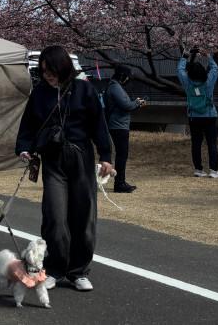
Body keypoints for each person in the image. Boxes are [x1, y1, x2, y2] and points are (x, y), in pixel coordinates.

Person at [16, 46, 114, 293]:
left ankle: (78, 271)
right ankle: (55, 269)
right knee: (55, 217)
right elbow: (27, 124)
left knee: (84, 217)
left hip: (81, 156)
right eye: (44, 71)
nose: (48, 76)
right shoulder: (39, 93)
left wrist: (106, 156)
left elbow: (98, 125)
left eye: (52, 71)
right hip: (53, 158)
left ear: (64, 68)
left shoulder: (84, 90)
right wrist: (24, 148)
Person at [178, 47, 218, 177]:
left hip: (193, 116)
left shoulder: (187, 82)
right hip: (209, 115)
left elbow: (180, 70)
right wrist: (208, 56)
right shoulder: (208, 82)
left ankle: (198, 169)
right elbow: (215, 69)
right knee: (211, 143)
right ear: (203, 71)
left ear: (190, 73)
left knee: (196, 143)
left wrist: (185, 56)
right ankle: (213, 171)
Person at [103, 64, 146, 193]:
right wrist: (137, 103)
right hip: (118, 125)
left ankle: (121, 182)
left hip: (118, 124)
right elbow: (126, 105)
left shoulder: (115, 86)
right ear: (122, 76)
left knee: (122, 154)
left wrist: (135, 103)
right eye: (127, 77)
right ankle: (119, 183)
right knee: (122, 154)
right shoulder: (115, 87)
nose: (128, 80)